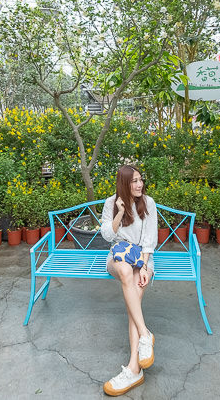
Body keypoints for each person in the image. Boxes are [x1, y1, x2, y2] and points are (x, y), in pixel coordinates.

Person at [100, 164, 157, 396]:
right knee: (125, 272)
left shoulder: (148, 203)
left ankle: (134, 368)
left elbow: (149, 240)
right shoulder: (110, 203)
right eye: (134, 181)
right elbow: (107, 235)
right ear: (124, 182)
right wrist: (120, 212)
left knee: (134, 285)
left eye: (140, 180)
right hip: (117, 255)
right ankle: (145, 335)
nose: (139, 184)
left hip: (142, 258)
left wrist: (144, 266)